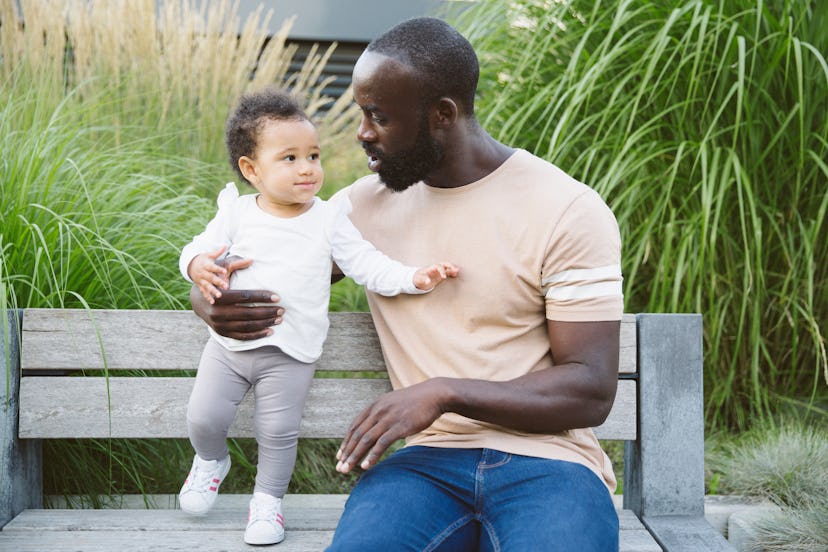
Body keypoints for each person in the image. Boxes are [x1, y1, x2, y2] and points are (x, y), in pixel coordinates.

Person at [190, 17, 624, 551]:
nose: (362, 133)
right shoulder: (356, 209)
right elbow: (249, 268)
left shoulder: (565, 209)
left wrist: (444, 392)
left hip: (551, 465)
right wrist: (208, 299)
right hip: (424, 469)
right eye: (360, 113)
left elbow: (590, 389)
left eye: (379, 116)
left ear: (442, 115)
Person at [176, 87, 459, 546]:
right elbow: (195, 249)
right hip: (228, 349)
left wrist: (414, 278)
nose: (308, 168)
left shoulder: (328, 220)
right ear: (252, 170)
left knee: (278, 431)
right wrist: (196, 266)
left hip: (290, 354)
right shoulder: (235, 214)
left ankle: (267, 504)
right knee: (204, 417)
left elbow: (367, 264)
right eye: (289, 158)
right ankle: (211, 461)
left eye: (313, 155)